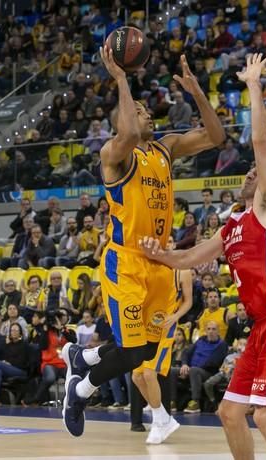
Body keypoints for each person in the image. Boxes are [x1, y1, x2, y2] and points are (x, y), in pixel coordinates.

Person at [140, 54, 266, 460]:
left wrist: (253, 84)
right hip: (259, 326)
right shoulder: (231, 226)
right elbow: (186, 260)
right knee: (230, 412)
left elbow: (259, 143)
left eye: (258, 174)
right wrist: (159, 253)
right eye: (249, 174)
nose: (253, 174)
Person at [60, 47, 225, 439]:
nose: (146, 113)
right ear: (121, 121)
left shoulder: (165, 148)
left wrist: (197, 92)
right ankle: (79, 390)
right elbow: (130, 131)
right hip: (126, 262)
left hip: (160, 263)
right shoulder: (114, 154)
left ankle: (80, 357)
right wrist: (119, 76)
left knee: (147, 352)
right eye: (137, 110)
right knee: (134, 354)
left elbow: (216, 137)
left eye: (147, 110)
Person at [132, 260, 192, 443]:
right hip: (146, 326)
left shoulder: (182, 271)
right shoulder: (148, 268)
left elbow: (188, 301)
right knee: (137, 376)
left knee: (150, 373)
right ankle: (163, 418)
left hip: (166, 327)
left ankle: (160, 421)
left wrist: (175, 316)